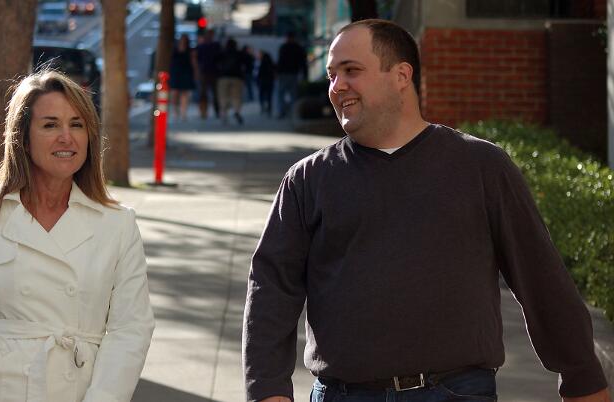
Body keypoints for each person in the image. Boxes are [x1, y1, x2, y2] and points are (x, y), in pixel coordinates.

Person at [242, 19, 610, 402]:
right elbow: (271, 288)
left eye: (351, 70)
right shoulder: (307, 180)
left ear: (402, 75)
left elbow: (539, 275)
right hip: (343, 394)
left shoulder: (481, 166)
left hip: (457, 392)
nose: (337, 86)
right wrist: (267, 390)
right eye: (332, 75)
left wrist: (582, 377)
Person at [0, 70, 155, 402]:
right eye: (50, 125)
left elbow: (131, 330)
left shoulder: (117, 224)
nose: (67, 137)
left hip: (74, 391)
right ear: (22, 137)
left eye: (77, 124)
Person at [275, 31, 307, 119]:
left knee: (281, 94)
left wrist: (277, 72)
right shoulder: (298, 48)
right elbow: (303, 63)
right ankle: (294, 113)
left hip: (283, 74)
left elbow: (280, 61)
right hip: (293, 73)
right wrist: (305, 75)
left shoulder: (283, 47)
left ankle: (281, 112)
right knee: (293, 94)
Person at [216, 38, 247, 125]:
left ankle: (224, 114)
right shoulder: (239, 53)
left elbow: (215, 61)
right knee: (236, 96)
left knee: (223, 96)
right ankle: (237, 111)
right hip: (237, 77)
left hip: (223, 77)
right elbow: (246, 63)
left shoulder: (222, 53)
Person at [169, 34, 198, 122]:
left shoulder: (190, 50)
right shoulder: (174, 50)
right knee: (174, 93)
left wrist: (195, 73)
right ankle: (176, 111)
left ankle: (183, 112)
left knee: (184, 93)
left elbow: (193, 62)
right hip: (176, 73)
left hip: (186, 72)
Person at [196, 29, 221, 119]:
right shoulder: (207, 46)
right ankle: (205, 111)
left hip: (210, 72)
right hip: (208, 72)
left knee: (211, 93)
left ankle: (208, 111)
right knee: (208, 93)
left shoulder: (207, 46)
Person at [256, 50, 276, 116]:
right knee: (269, 95)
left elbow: (259, 73)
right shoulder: (271, 63)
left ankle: (262, 107)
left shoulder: (261, 63)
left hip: (262, 81)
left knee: (261, 95)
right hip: (270, 81)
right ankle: (269, 108)